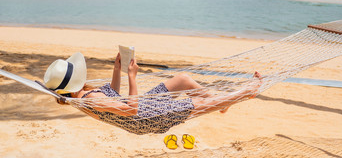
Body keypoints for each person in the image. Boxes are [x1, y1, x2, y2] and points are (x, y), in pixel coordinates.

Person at [44, 52, 262, 134]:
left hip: (142, 108)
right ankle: (245, 92)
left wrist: (116, 68)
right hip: (145, 118)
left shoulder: (79, 96)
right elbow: (131, 109)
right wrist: (132, 76)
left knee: (183, 80)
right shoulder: (90, 100)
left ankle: (220, 103)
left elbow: (114, 94)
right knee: (195, 106)